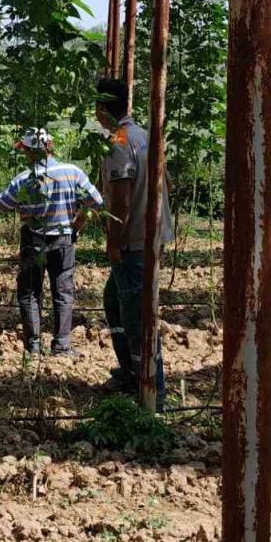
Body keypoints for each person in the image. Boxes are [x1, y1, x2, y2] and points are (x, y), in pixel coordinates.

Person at [0, 128, 103, 357]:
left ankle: (33, 345)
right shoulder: (73, 172)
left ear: (27, 151)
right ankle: (62, 345)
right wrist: (78, 222)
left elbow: (2, 206)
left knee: (29, 292)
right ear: (50, 146)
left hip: (33, 239)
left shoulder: (23, 180)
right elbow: (96, 201)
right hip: (64, 238)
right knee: (63, 292)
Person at [95, 77, 173, 406]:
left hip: (134, 243)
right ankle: (130, 372)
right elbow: (167, 180)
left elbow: (122, 201)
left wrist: (114, 241)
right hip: (151, 237)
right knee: (114, 301)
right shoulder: (144, 136)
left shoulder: (120, 141)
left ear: (101, 109)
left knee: (137, 318)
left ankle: (151, 394)